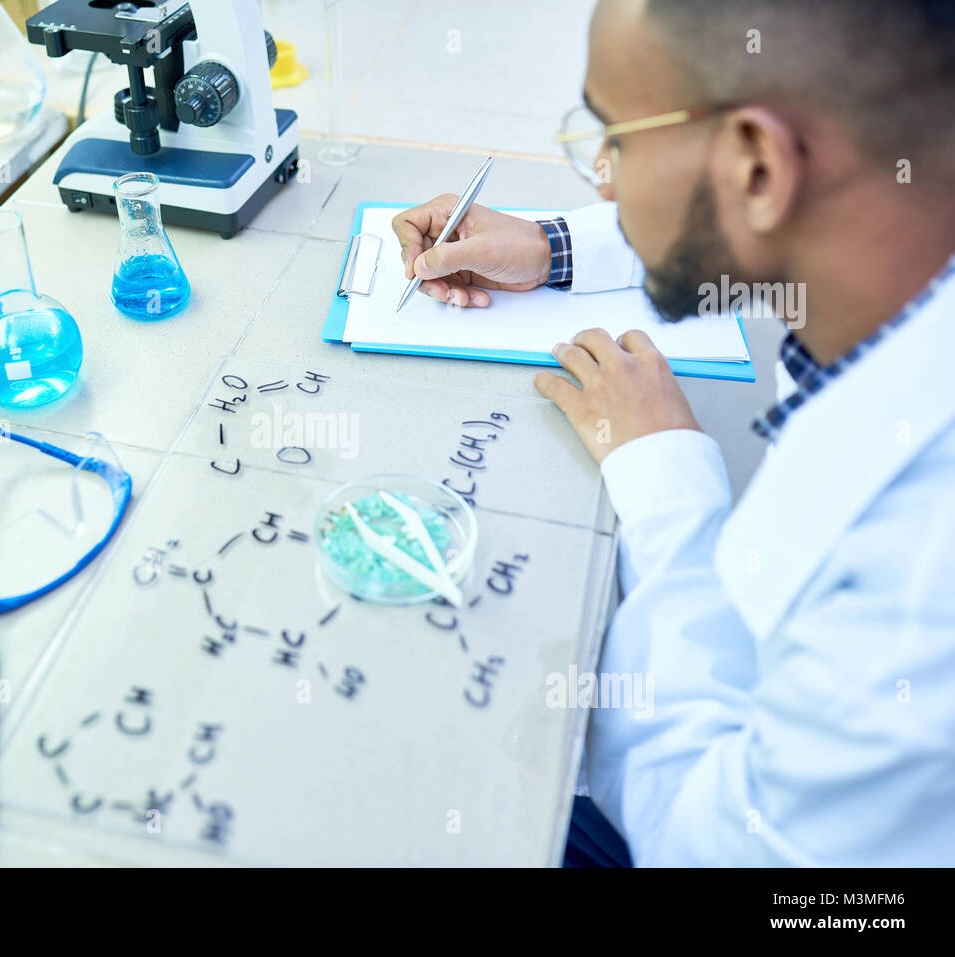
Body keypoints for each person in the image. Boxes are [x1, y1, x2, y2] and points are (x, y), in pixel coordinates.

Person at [393, 0, 955, 866]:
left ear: (760, 166)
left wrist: (665, 480)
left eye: (614, 139)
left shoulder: (918, 583)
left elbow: (712, 846)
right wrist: (552, 245)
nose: (603, 179)